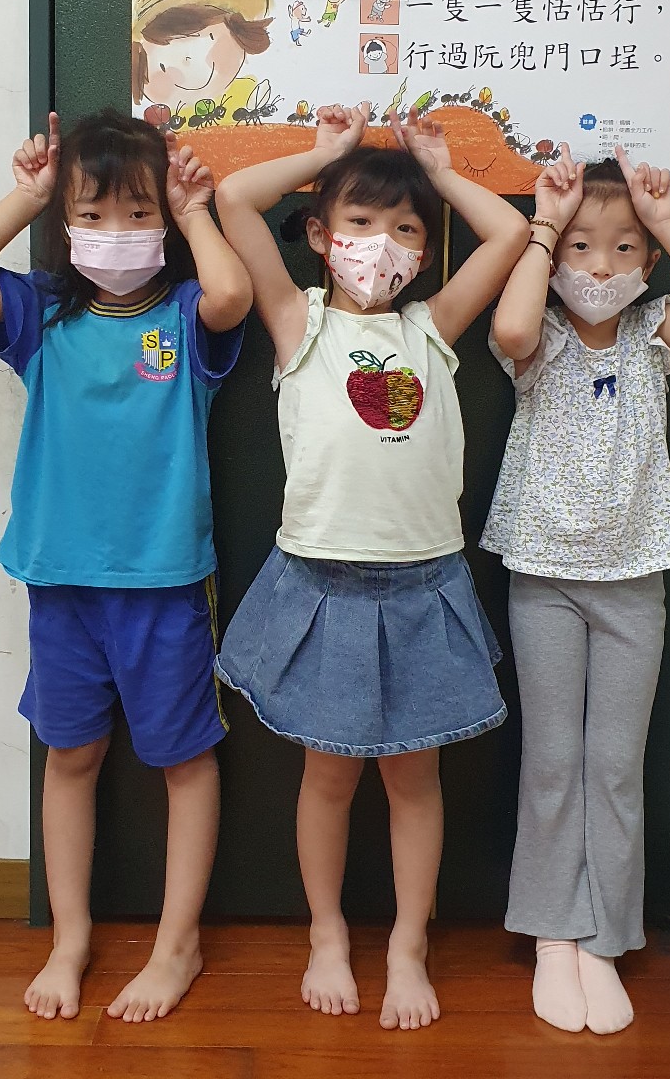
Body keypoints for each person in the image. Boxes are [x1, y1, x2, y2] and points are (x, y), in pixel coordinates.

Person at [0, 109, 251, 1024]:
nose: (116, 231)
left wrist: (192, 210)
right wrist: (28, 196)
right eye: (93, 213)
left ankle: (177, 945)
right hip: (60, 580)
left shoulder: (184, 314)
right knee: (70, 754)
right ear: (64, 220)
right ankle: (70, 938)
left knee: (183, 757)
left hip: (164, 582)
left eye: (137, 212)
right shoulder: (41, 311)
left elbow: (231, 296)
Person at [214, 102, 530, 1031]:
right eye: (359, 222)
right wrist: (329, 152)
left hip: (425, 586)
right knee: (328, 778)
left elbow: (510, 232)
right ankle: (326, 932)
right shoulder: (296, 322)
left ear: (424, 252)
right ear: (320, 236)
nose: (381, 244)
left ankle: (407, 946)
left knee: (413, 782)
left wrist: (441, 172)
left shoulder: (433, 327)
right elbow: (233, 198)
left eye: (405, 230)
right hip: (323, 585)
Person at [483, 145, 670, 1035]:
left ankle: (604, 938)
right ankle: (553, 933)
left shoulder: (653, 332)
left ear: (649, 259)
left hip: (635, 576)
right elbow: (510, 330)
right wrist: (545, 226)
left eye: (624, 248)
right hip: (544, 574)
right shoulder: (540, 334)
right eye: (583, 247)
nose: (601, 268)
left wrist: (666, 218)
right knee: (553, 763)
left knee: (613, 766)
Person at [132, 0, 272, 126]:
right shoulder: (151, 119)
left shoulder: (247, 96)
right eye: (162, 64)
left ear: (239, 33)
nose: (187, 59)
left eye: (209, 37)